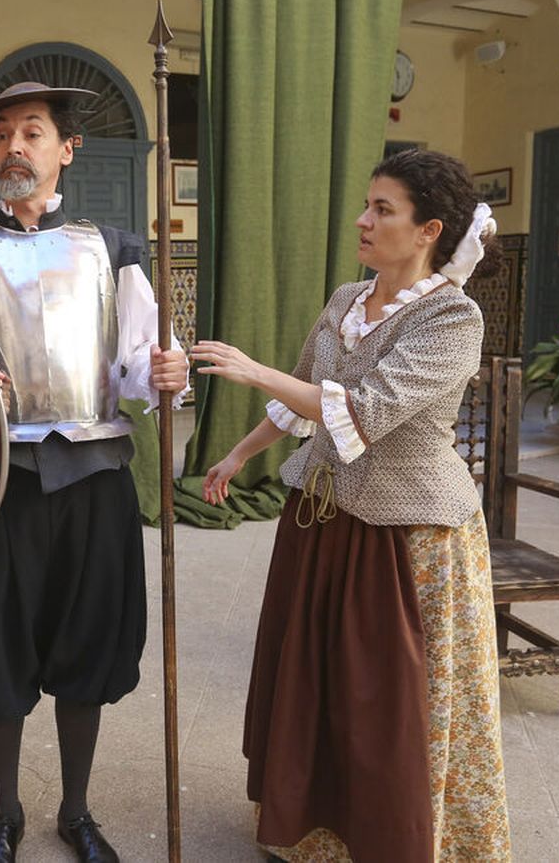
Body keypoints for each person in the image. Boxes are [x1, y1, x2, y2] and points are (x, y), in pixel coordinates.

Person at [192, 149, 512, 862]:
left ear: (429, 230)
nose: (364, 221)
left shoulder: (452, 319)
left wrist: (253, 370)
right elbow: (304, 394)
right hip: (322, 517)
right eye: (367, 205)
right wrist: (241, 453)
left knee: (386, 703)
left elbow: (362, 413)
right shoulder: (345, 300)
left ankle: (397, 839)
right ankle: (315, 832)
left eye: (383, 210)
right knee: (317, 682)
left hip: (408, 534)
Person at [0, 82, 190, 863]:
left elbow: (137, 361)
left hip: (94, 478)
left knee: (85, 648)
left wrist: (164, 373)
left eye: (31, 131)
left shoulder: (113, 249)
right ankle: (5, 813)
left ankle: (76, 809)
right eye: (2, 134)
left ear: (66, 150)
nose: (13, 146)